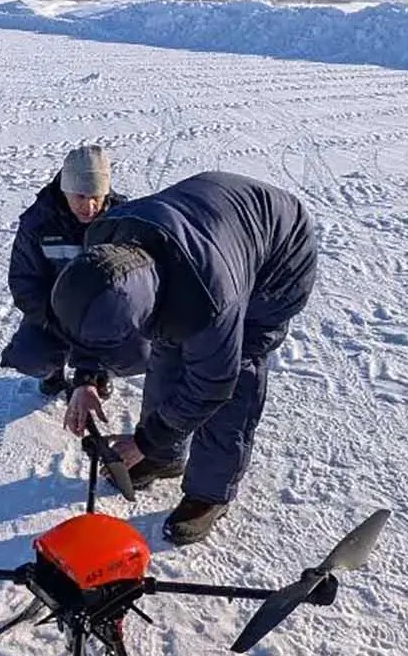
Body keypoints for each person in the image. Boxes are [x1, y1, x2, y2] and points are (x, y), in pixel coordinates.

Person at [49, 170, 318, 545]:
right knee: (168, 348)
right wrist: (86, 379)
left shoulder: (213, 296)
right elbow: (89, 316)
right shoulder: (103, 242)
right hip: (207, 222)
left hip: (280, 253)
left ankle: (211, 492)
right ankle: (164, 456)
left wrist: (144, 441)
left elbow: (212, 385)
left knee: (236, 371)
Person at [0, 145, 144, 396]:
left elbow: (139, 279)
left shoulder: (123, 220)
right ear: (65, 190)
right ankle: (53, 372)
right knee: (29, 355)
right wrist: (56, 320)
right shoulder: (38, 222)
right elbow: (24, 281)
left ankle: (101, 372)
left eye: (96, 196)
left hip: (106, 315)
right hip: (55, 314)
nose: (89, 206)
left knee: (142, 352)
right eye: (80, 196)